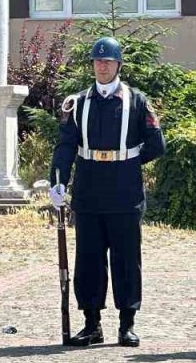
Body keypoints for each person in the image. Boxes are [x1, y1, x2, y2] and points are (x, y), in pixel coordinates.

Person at [49, 37, 165, 347]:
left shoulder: (137, 101)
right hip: (89, 188)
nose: (102, 66)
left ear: (118, 65)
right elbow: (65, 146)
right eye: (98, 61)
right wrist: (57, 180)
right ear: (93, 65)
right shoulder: (79, 103)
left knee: (126, 259)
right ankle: (91, 323)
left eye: (108, 61)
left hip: (124, 190)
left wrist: (129, 161)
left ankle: (127, 323)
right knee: (89, 259)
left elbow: (157, 143)